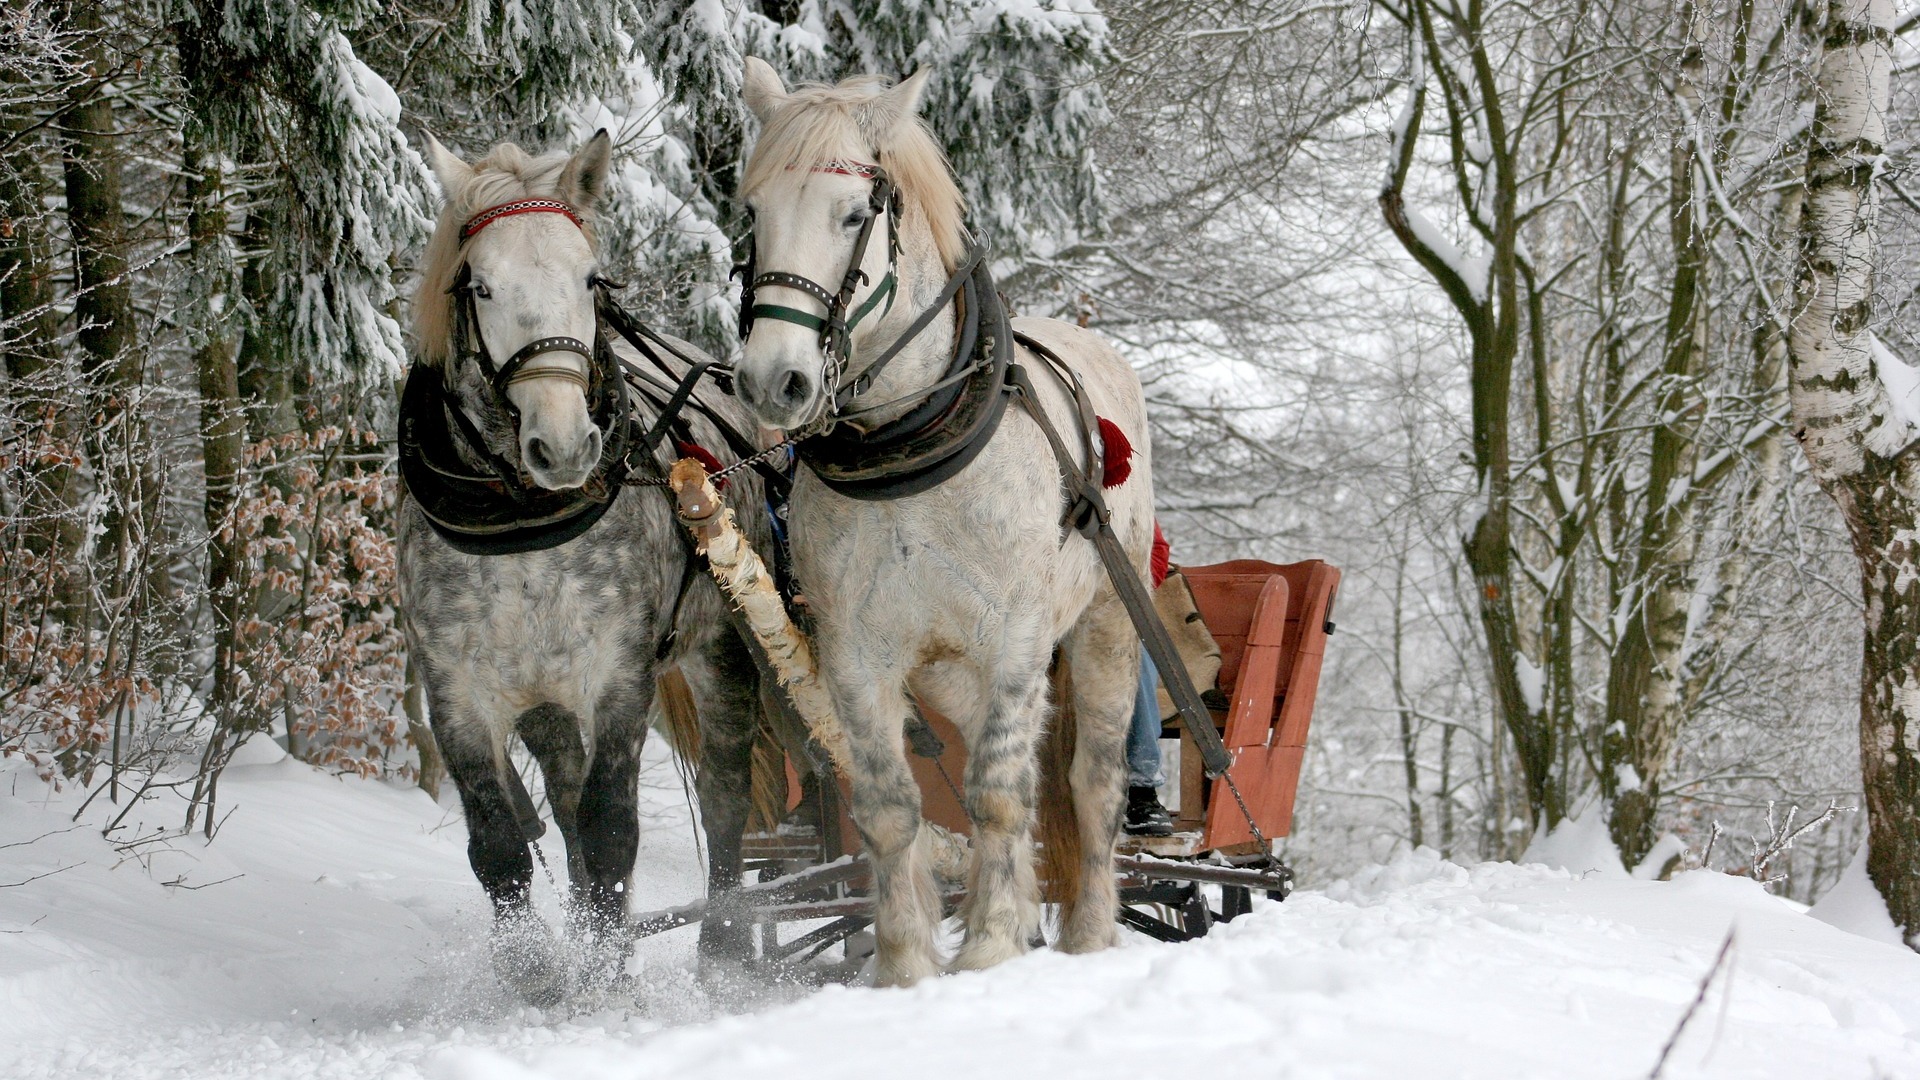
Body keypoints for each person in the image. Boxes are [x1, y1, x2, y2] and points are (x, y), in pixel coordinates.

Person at [1125, 523, 1176, 836]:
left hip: (1108, 606)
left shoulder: (1126, 484)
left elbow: (1156, 551)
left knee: (1135, 654)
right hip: (1041, 607)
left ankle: (1142, 788)